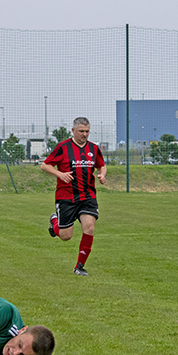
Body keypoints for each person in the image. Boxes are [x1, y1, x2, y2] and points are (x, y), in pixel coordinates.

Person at [41, 117, 106, 276]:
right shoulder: (63, 147)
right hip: (66, 197)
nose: (85, 134)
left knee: (89, 228)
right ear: (73, 131)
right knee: (65, 236)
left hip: (88, 196)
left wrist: (102, 175)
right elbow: (45, 165)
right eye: (81, 131)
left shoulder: (94, 148)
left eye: (87, 131)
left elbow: (101, 165)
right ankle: (54, 221)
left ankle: (79, 266)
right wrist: (60, 174)